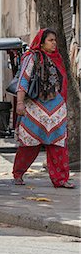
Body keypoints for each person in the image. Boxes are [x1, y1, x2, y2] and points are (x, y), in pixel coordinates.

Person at [12, 29, 74, 188]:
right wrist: (19, 103)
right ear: (41, 42)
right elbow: (23, 80)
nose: (54, 43)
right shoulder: (32, 57)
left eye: (55, 40)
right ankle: (18, 173)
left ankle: (60, 179)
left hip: (56, 108)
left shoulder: (58, 58)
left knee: (59, 143)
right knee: (29, 144)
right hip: (35, 108)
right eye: (50, 40)